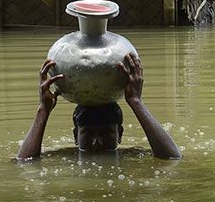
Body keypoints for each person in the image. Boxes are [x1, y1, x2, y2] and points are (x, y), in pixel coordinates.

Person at [16, 53, 181, 160]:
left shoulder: (130, 155)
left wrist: (136, 102)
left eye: (106, 134)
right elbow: (24, 163)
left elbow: (172, 158)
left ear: (120, 134)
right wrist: (43, 110)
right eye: (88, 134)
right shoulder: (66, 156)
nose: (97, 143)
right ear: (75, 136)